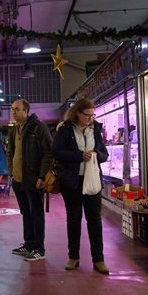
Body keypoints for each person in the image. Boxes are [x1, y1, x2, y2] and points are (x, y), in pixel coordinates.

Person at [51, 98, 110, 274]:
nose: (90, 118)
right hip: (72, 182)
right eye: (87, 115)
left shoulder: (96, 129)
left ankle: (99, 259)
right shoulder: (66, 129)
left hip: (92, 181)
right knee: (73, 220)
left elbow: (104, 154)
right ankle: (73, 257)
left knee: (95, 220)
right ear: (77, 113)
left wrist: (96, 154)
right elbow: (57, 152)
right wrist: (78, 156)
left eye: (92, 115)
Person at [6, 99, 52, 262]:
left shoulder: (38, 127)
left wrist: (42, 176)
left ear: (26, 110)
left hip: (33, 179)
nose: (14, 112)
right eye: (12, 109)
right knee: (26, 212)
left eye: (17, 109)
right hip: (18, 179)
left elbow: (48, 152)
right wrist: (11, 172)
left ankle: (39, 249)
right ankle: (29, 244)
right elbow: (10, 151)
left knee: (36, 213)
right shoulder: (14, 129)